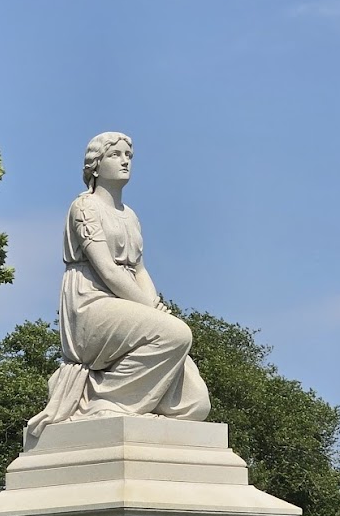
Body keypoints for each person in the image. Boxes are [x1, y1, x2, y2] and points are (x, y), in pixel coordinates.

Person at [24, 132, 210, 447]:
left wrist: (155, 304)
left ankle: (118, 400)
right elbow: (108, 270)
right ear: (95, 166)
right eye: (116, 155)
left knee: (195, 404)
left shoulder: (130, 215)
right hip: (92, 303)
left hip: (129, 300)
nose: (125, 161)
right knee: (177, 334)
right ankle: (102, 401)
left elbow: (139, 269)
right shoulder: (84, 207)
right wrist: (150, 310)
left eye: (129, 155)